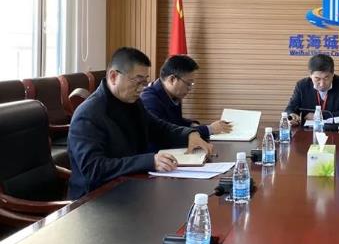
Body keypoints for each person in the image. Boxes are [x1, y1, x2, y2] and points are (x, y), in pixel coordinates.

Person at [68, 47, 214, 199]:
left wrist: (189, 134)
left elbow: (159, 128)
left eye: (145, 82)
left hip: (130, 187)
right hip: (95, 198)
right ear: (113, 76)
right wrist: (149, 161)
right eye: (137, 81)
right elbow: (94, 169)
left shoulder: (133, 102)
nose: (142, 88)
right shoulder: (88, 115)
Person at [141, 55, 232, 143]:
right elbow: (166, 134)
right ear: (172, 79)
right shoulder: (149, 101)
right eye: (188, 83)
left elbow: (175, 122)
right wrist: (209, 129)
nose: (190, 88)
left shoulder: (172, 94)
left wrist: (191, 124)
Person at [285, 54, 339, 126]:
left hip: (338, 130)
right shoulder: (302, 85)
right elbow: (290, 108)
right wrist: (291, 115)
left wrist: (318, 116)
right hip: (307, 130)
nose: (322, 84)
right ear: (310, 75)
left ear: (333, 74)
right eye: (317, 78)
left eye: (326, 78)